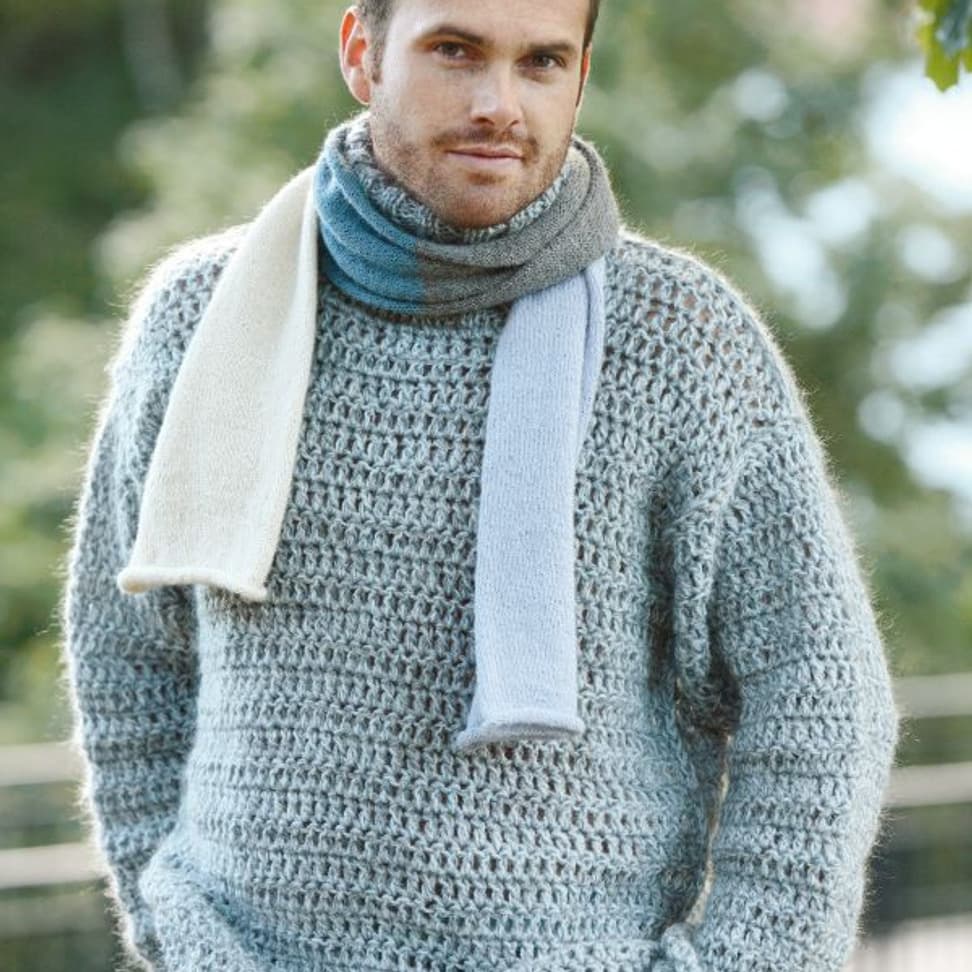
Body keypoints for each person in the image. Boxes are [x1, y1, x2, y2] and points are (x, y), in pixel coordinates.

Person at [60, 1, 900, 970]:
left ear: (581, 78)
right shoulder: (203, 317)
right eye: (456, 51)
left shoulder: (678, 343)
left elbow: (820, 693)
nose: (500, 103)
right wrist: (171, 925)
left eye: (541, 62)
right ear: (362, 53)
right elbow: (126, 654)